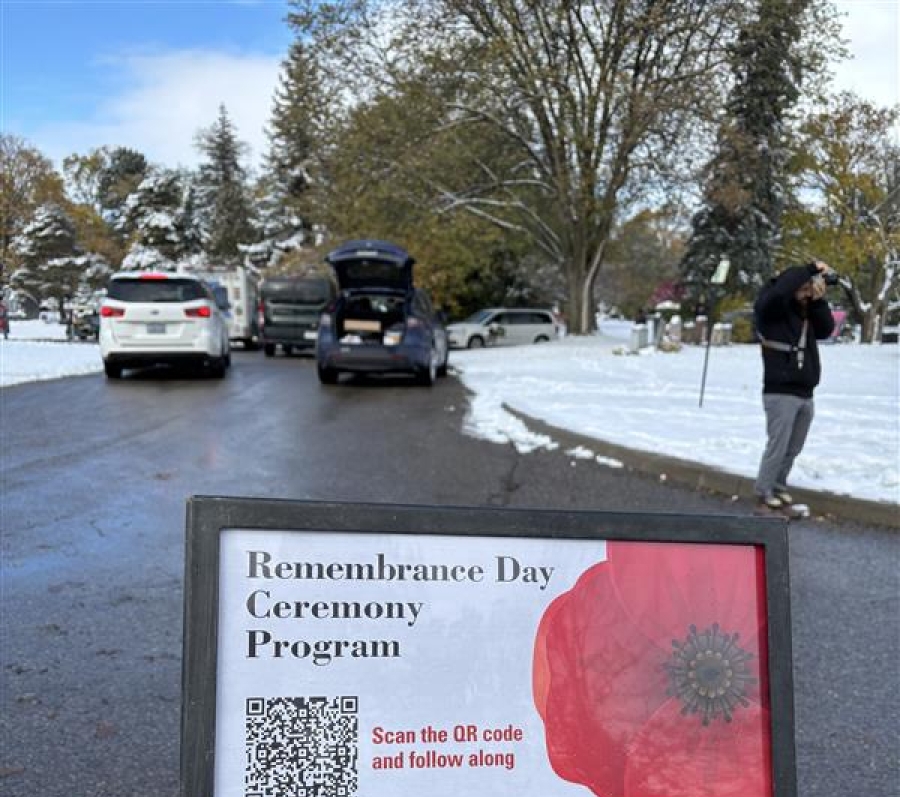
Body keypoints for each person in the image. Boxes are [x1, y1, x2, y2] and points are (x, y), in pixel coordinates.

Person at [754, 260, 835, 516]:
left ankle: (779, 486)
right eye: (802, 285)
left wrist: (818, 301)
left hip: (805, 391)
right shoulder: (772, 307)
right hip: (780, 390)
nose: (805, 289)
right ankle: (764, 492)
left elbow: (826, 329)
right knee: (777, 445)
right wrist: (811, 267)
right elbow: (781, 290)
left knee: (793, 446)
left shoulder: (806, 310)